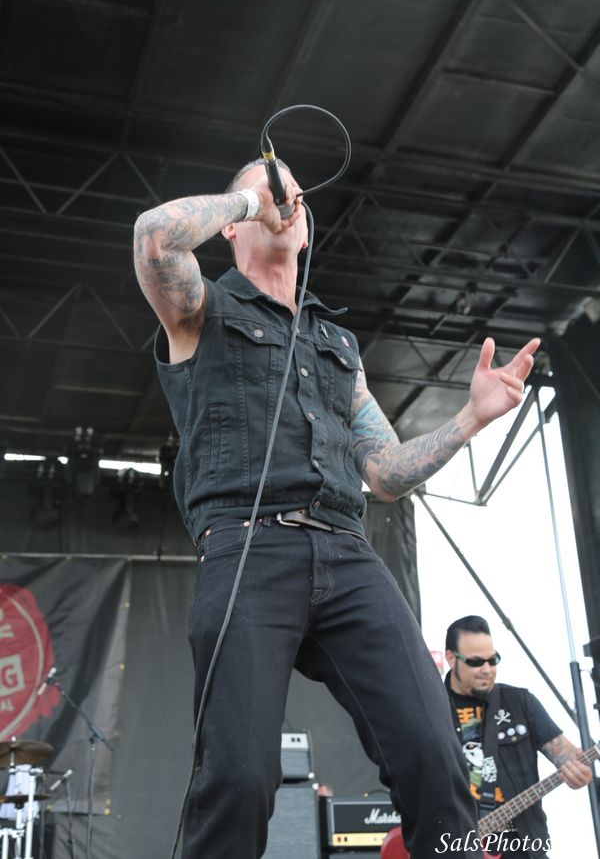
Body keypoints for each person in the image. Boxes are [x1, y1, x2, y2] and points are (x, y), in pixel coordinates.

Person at [132, 157, 540, 859]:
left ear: (307, 229)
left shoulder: (337, 344)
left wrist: (472, 417)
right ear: (232, 226)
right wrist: (251, 197)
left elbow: (385, 473)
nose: (285, 200)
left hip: (349, 555)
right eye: (268, 191)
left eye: (293, 195)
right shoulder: (204, 308)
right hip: (249, 549)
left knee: (435, 753)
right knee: (239, 778)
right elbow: (154, 236)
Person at [445, 615, 593, 858]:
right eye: (476, 662)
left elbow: (566, 756)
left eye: (493, 660)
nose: (486, 669)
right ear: (451, 658)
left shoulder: (520, 702)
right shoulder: (432, 713)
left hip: (524, 846)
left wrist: (578, 771)